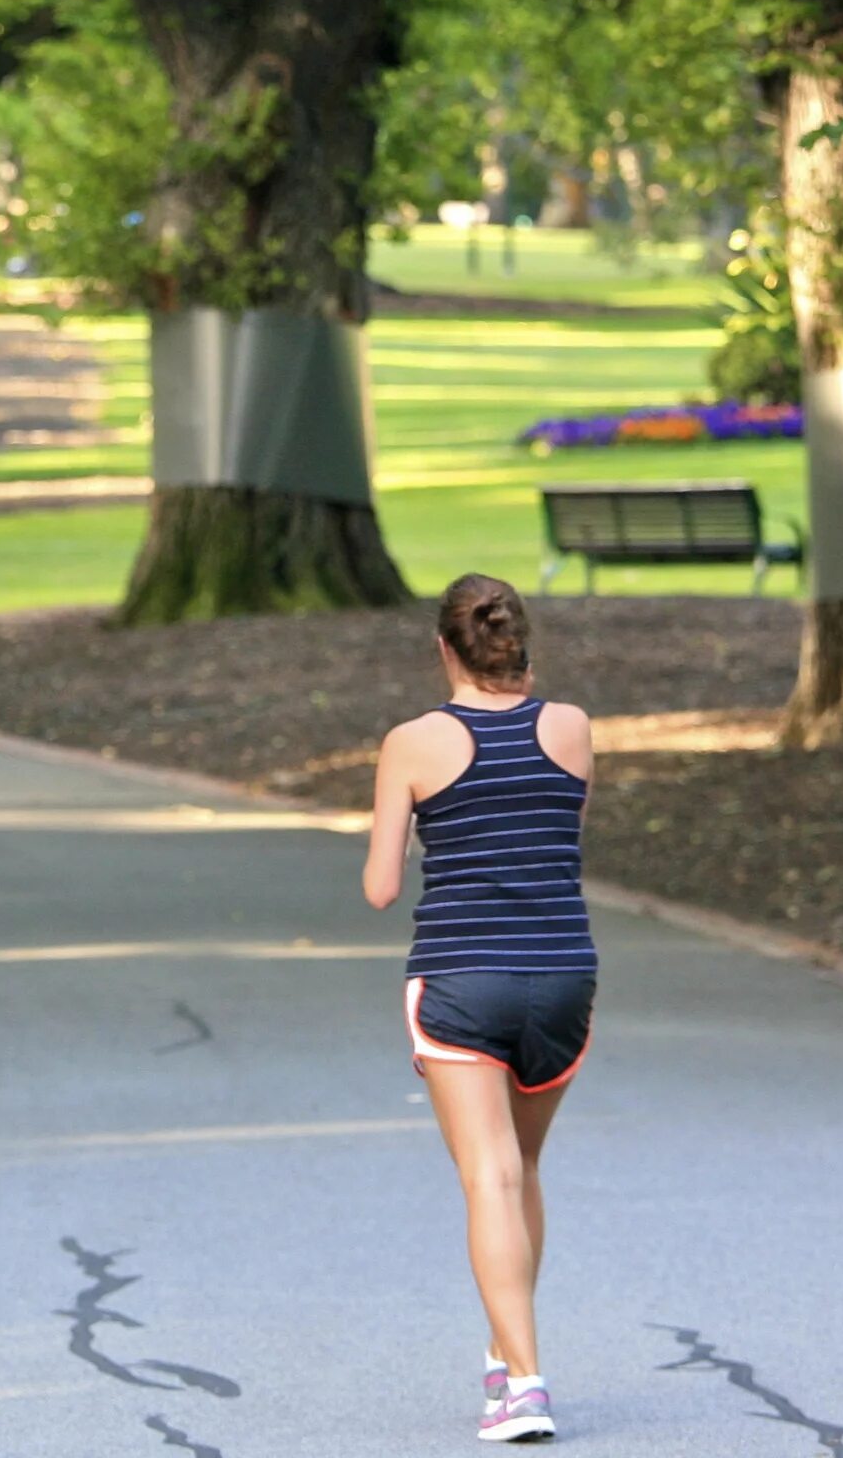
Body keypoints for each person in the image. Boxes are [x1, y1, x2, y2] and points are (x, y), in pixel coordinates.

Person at [363, 573, 598, 1446]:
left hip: (462, 979)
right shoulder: (570, 728)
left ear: (444, 649)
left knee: (488, 1178)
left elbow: (383, 888)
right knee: (522, 1172)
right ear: (517, 643)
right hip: (564, 977)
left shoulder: (414, 741)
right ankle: (504, 1353)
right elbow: (561, 840)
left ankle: (527, 1386)